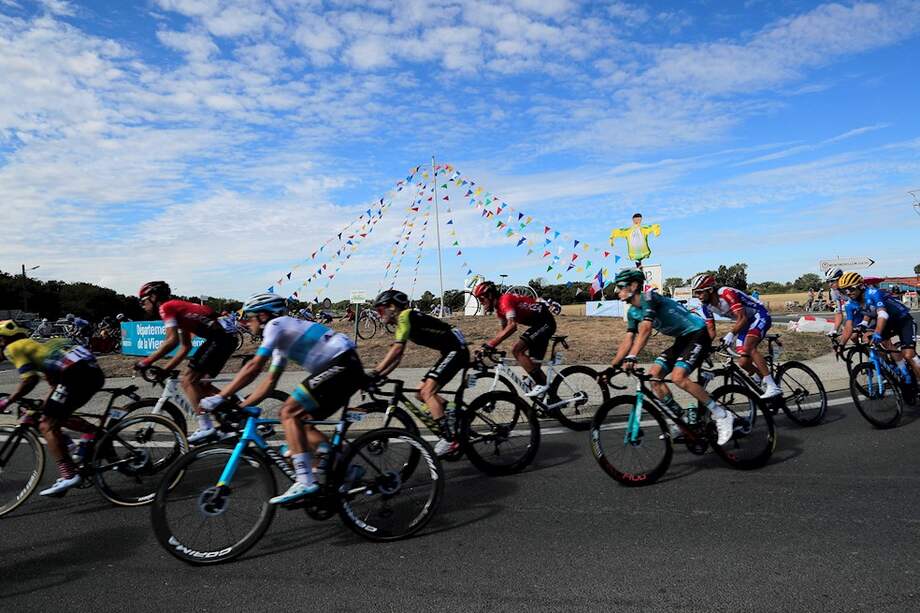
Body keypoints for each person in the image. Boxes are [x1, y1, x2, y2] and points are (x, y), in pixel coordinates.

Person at [199, 292, 364, 504]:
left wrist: (220, 397)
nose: (246, 323)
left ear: (263, 315)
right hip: (344, 366)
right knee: (299, 421)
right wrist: (242, 406)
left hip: (342, 364)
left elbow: (253, 366)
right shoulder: (281, 341)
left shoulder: (276, 325)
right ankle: (346, 467)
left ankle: (306, 480)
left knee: (288, 412)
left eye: (249, 317)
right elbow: (269, 383)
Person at [601, 269, 735, 445]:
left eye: (620, 287)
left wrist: (633, 356)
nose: (616, 291)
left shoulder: (649, 298)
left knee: (678, 377)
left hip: (697, 334)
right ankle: (682, 422)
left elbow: (646, 329)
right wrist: (612, 367)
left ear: (634, 286)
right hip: (682, 340)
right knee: (654, 377)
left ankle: (722, 414)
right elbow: (628, 339)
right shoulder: (633, 312)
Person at [0, 320, 105, 496]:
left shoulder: (12, 348)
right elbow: (54, 385)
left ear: (2, 339)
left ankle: (69, 474)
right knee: (53, 413)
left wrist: (7, 401)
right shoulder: (36, 348)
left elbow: (29, 380)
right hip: (90, 372)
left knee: (46, 424)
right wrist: (43, 403)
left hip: (75, 374)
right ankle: (91, 434)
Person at [133, 281, 238, 444]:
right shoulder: (178, 309)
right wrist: (166, 370)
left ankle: (206, 427)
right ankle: (236, 413)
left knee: (188, 380)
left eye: (143, 301)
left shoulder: (166, 307)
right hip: (223, 338)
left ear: (153, 297)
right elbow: (185, 347)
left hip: (219, 338)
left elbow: (171, 342)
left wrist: (145, 362)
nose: (143, 306)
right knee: (201, 385)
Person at [370, 289, 469, 456]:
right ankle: (453, 412)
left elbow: (396, 349)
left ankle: (449, 440)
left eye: (380, 310)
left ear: (392, 306)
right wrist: (381, 376)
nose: (379, 315)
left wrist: (375, 372)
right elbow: (398, 357)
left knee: (427, 391)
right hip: (450, 350)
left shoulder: (405, 316)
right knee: (419, 393)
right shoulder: (403, 322)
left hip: (456, 350)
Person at [691, 274, 782, 399]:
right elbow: (711, 331)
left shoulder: (726, 293)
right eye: (696, 293)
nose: (698, 296)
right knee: (743, 362)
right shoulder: (706, 306)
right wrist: (704, 347)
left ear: (710, 290)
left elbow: (742, 317)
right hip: (745, 322)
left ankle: (773, 386)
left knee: (749, 347)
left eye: (700, 292)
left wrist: (731, 334)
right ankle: (764, 383)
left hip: (759, 315)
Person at [472, 280, 556, 397]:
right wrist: (487, 347)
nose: (481, 303)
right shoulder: (499, 310)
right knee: (533, 367)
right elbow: (504, 331)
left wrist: (490, 345)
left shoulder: (505, 300)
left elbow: (512, 326)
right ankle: (554, 399)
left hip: (545, 322)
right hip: (538, 324)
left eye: (481, 299)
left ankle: (541, 384)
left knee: (517, 350)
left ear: (490, 295)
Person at [838, 272, 920, 381]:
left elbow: (882, 314)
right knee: (872, 340)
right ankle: (903, 372)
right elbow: (848, 325)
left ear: (860, 286)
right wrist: (841, 345)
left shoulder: (873, 293)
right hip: (887, 323)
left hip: (903, 320)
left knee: (909, 355)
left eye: (850, 289)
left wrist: (877, 332)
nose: (848, 293)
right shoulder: (849, 304)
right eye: (844, 290)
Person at [824, 267, 849, 333]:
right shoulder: (833, 291)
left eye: (832, 281)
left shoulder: (850, 287)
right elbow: (839, 312)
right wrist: (835, 330)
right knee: (853, 337)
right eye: (828, 282)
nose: (830, 284)